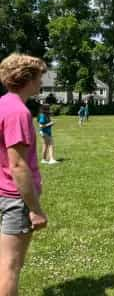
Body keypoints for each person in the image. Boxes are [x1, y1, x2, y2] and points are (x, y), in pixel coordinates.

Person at [0, 53, 48, 295]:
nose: (41, 82)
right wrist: (35, 209)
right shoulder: (18, 112)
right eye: (40, 77)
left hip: (3, 191)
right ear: (28, 78)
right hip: (15, 198)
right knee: (10, 265)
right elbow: (18, 166)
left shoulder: (2, 104)